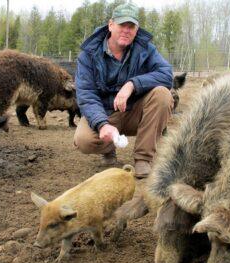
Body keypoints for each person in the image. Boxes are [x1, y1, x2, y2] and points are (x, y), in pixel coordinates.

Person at [74, 3, 173, 178]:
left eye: (131, 26)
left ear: (137, 29)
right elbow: (86, 95)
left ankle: (143, 158)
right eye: (122, 25)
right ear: (111, 25)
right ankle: (109, 149)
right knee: (84, 141)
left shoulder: (146, 49)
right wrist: (102, 124)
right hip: (105, 112)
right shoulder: (88, 55)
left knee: (163, 95)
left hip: (134, 110)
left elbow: (166, 75)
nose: (126, 30)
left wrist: (132, 84)